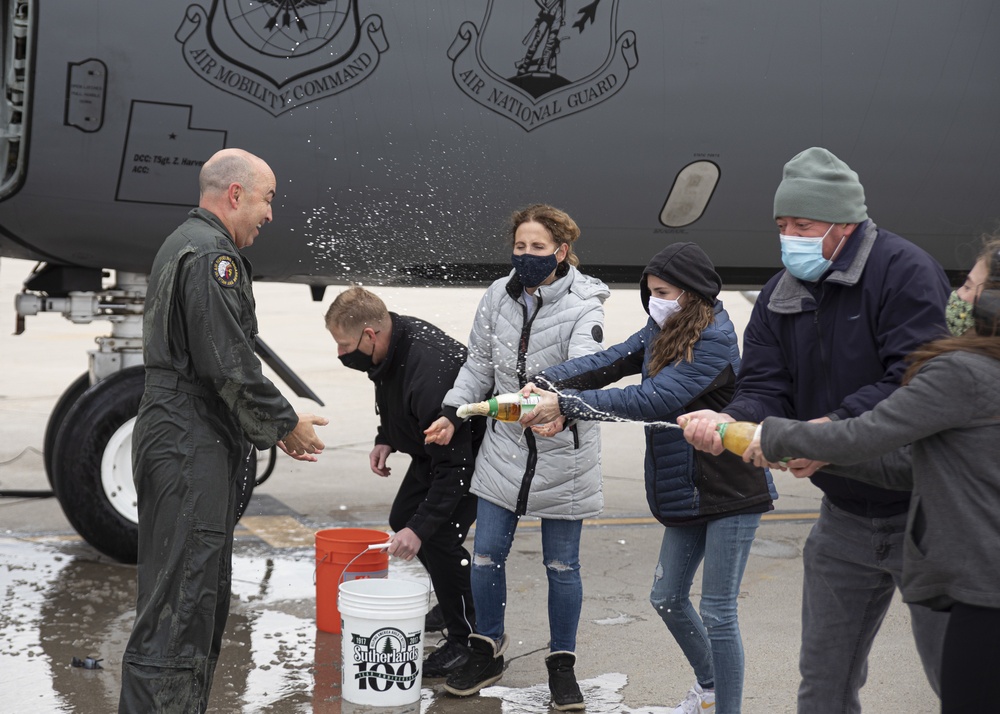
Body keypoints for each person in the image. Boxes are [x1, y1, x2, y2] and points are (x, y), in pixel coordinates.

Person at [680, 146, 951, 713]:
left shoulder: (905, 272)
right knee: (823, 684)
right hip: (845, 520)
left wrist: (824, 433)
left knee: (960, 678)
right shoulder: (782, 292)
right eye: (782, 226)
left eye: (802, 225)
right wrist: (732, 419)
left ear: (844, 223)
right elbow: (764, 384)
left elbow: (915, 380)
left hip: (923, 512)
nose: (789, 238)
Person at [520, 242, 777, 714]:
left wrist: (568, 406)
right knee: (667, 598)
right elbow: (611, 361)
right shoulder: (663, 328)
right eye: (650, 291)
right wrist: (546, 383)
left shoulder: (714, 338)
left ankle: (727, 708)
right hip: (687, 487)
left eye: (663, 291)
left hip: (731, 489)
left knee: (719, 614)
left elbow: (652, 400)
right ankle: (709, 688)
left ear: (692, 293)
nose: (654, 300)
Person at [748, 237, 1000, 714]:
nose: (958, 296)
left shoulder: (962, 373)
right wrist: (822, 460)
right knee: (824, 679)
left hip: (977, 585)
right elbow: (912, 463)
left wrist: (776, 438)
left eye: (970, 286)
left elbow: (866, 434)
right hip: (851, 524)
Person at [119, 148, 328, 713]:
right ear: (236, 195)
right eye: (267, 200)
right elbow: (227, 363)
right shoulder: (213, 255)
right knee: (181, 604)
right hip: (189, 438)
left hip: (184, 431)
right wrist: (286, 425)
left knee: (187, 599)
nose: (269, 214)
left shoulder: (187, 242)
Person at [424, 203, 609, 710]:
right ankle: (487, 646)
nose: (526, 256)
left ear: (562, 251)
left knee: (561, 566)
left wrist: (560, 412)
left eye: (538, 248)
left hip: (562, 450)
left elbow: (587, 374)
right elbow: (479, 362)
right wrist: (452, 412)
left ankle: (562, 664)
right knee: (485, 555)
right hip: (505, 447)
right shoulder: (496, 296)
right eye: (520, 246)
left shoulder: (585, 306)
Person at [324, 286, 483, 678]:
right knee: (403, 518)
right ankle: (452, 602)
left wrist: (421, 530)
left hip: (472, 456)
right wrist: (387, 436)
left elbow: (456, 468)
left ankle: (469, 639)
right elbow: (388, 389)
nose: (341, 355)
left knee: (437, 536)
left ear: (369, 335)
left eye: (344, 345)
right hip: (434, 451)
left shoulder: (430, 373)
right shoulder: (390, 344)